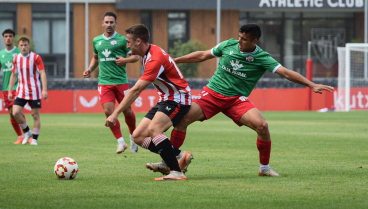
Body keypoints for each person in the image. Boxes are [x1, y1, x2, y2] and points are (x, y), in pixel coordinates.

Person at [146, 23, 334, 177]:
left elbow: (286, 73)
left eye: (244, 39)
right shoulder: (228, 45)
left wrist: (311, 84)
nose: (239, 41)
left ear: (255, 41)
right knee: (182, 120)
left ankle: (265, 168)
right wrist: (174, 61)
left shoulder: (261, 57)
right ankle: (169, 163)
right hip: (211, 94)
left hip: (236, 100)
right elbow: (203, 55)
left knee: (263, 126)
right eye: (239, 37)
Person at [105, 24, 193, 181]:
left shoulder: (154, 59)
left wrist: (115, 114)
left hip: (178, 97)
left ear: (138, 41)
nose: (126, 45)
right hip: (166, 98)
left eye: (128, 42)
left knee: (154, 130)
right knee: (138, 136)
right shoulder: (145, 54)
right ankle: (178, 155)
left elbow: (136, 90)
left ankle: (176, 171)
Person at [83, 12, 140, 154]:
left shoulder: (122, 40)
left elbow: (136, 56)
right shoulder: (97, 41)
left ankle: (133, 138)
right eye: (107, 22)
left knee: (127, 111)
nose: (109, 25)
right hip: (104, 82)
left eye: (111, 22)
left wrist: (124, 60)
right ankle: (121, 142)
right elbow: (96, 58)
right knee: (108, 111)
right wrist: (90, 69)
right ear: (102, 23)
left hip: (121, 82)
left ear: (116, 23)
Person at [8, 36, 48, 146]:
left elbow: (42, 73)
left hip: (34, 91)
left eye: (26, 45)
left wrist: (44, 89)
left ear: (29, 46)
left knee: (35, 115)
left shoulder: (36, 57)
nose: (24, 47)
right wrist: (10, 91)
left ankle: (34, 139)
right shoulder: (16, 58)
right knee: (15, 112)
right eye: (21, 45)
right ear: (18, 47)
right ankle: (27, 132)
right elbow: (13, 75)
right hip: (21, 91)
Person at [0, 29, 33, 144]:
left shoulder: (20, 53)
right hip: (6, 87)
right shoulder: (1, 54)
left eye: (10, 36)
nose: (8, 38)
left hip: (19, 86)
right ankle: (20, 136)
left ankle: (27, 134)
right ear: (3, 39)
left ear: (14, 38)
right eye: (6, 36)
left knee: (16, 111)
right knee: (11, 112)